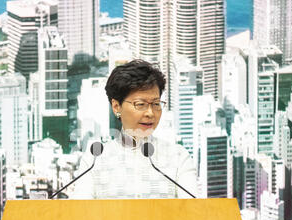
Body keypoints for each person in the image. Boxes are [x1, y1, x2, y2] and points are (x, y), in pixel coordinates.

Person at [71, 59, 198, 199]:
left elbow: (193, 213)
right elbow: (80, 215)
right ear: (116, 107)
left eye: (156, 104)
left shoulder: (178, 157)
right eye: (140, 104)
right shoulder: (94, 160)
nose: (150, 113)